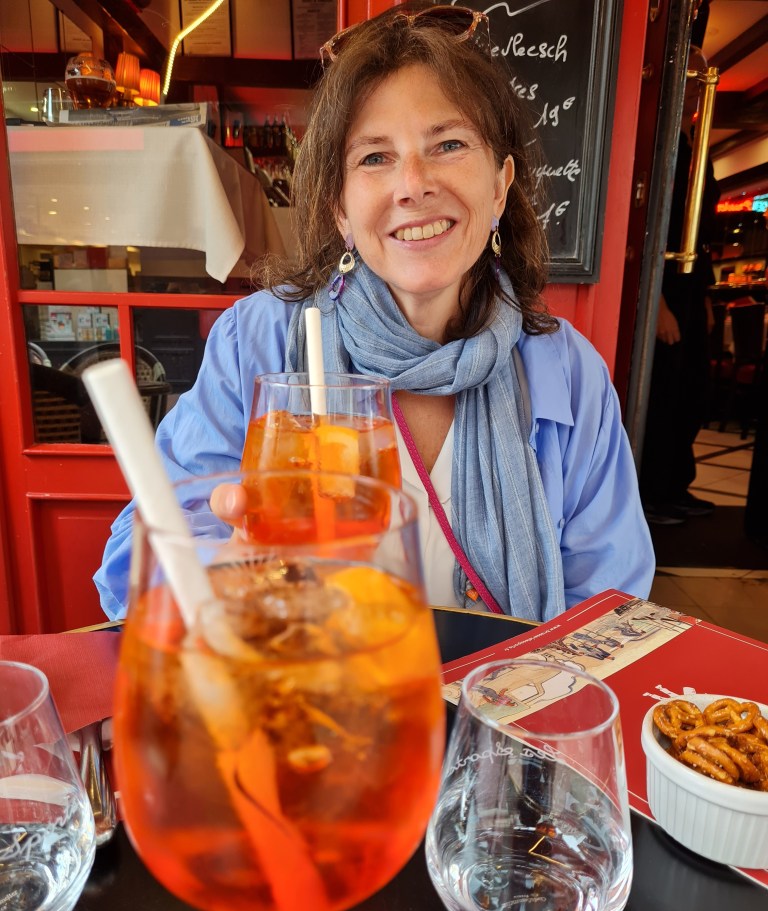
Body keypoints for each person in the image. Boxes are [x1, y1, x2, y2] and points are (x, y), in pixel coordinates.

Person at [95, 3, 654, 622]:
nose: (412, 184)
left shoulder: (568, 374)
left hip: (501, 706)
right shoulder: (259, 341)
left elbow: (612, 608)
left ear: (499, 186)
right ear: (340, 209)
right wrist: (223, 576)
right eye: (373, 158)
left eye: (447, 143)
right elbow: (135, 562)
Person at [639, 45, 721, 526]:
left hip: (695, 285)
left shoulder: (698, 146)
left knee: (692, 390)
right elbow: (652, 231)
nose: (696, 86)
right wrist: (659, 305)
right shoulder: (661, 149)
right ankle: (653, 493)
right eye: (692, 76)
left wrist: (705, 299)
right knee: (664, 391)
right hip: (665, 285)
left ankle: (676, 486)